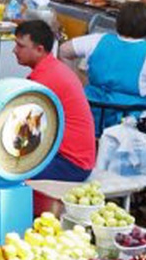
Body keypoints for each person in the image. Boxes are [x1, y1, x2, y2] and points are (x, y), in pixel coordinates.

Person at [62, 0, 146, 131]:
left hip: (90, 117)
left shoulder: (97, 40)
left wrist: (76, 84)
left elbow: (64, 50)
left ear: (118, 22)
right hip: (127, 126)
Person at [12, 18, 95, 182]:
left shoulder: (44, 80)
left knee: (6, 170)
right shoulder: (53, 68)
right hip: (69, 158)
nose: (14, 50)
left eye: (21, 46)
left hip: (70, 165)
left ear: (39, 49)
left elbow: (21, 131)